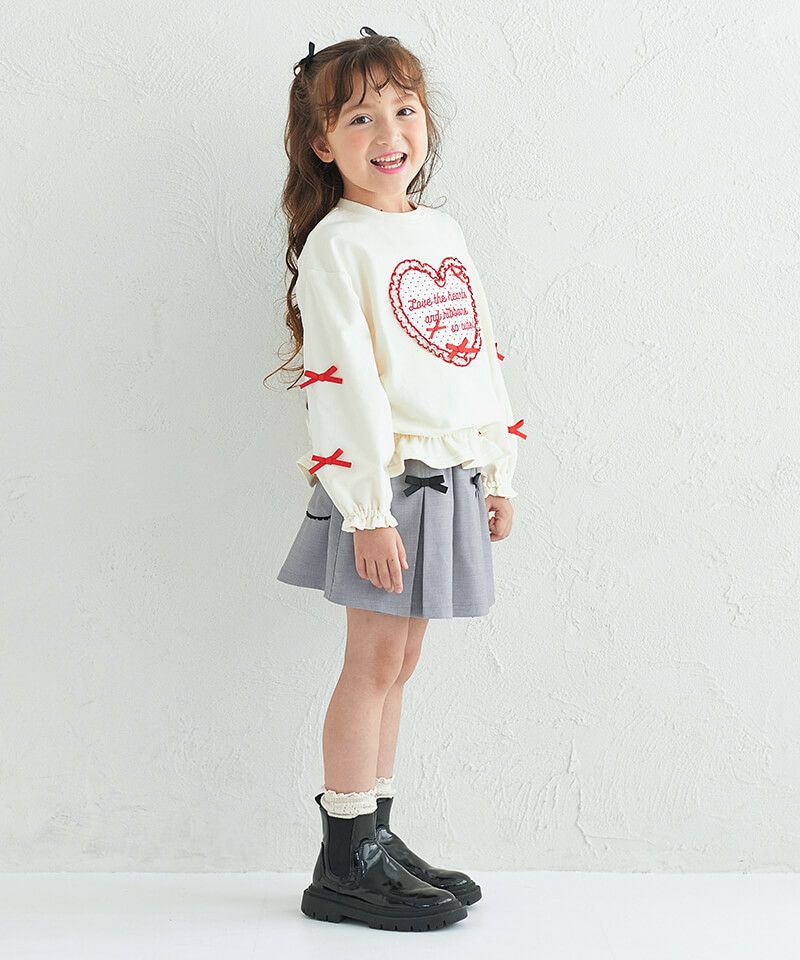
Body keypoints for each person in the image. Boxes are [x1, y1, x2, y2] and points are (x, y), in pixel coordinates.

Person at [265, 26, 525, 932]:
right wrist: (367, 511)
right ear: (321, 143)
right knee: (372, 662)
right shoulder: (339, 245)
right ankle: (344, 860)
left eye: (404, 110)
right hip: (388, 486)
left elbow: (476, 355)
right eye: (360, 118)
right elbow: (341, 382)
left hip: (449, 474)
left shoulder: (440, 231)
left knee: (402, 662)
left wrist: (497, 466)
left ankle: (374, 829)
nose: (390, 133)